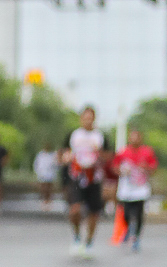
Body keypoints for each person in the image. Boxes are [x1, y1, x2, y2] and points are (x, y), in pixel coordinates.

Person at [66, 106, 106, 257]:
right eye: (85, 117)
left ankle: (89, 242)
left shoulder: (100, 136)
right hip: (77, 176)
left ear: (94, 119)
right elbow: (65, 152)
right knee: (75, 209)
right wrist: (66, 157)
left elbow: (108, 156)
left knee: (93, 213)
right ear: (81, 118)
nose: (88, 120)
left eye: (90, 118)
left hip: (94, 178)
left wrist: (98, 155)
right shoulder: (74, 135)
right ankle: (77, 237)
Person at [115, 127, 157, 252]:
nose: (134, 139)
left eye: (137, 137)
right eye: (132, 137)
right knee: (127, 213)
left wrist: (146, 168)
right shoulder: (123, 152)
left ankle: (136, 237)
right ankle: (129, 229)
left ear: (140, 138)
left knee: (138, 213)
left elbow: (153, 167)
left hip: (141, 189)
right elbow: (115, 167)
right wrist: (122, 171)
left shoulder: (147, 152)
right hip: (127, 189)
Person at [33, 144, 60, 211]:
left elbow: (56, 164)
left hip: (50, 174)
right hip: (42, 174)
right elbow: (37, 164)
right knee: (43, 188)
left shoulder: (52, 155)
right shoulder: (40, 155)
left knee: (49, 188)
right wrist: (38, 172)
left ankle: (48, 201)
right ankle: (44, 201)